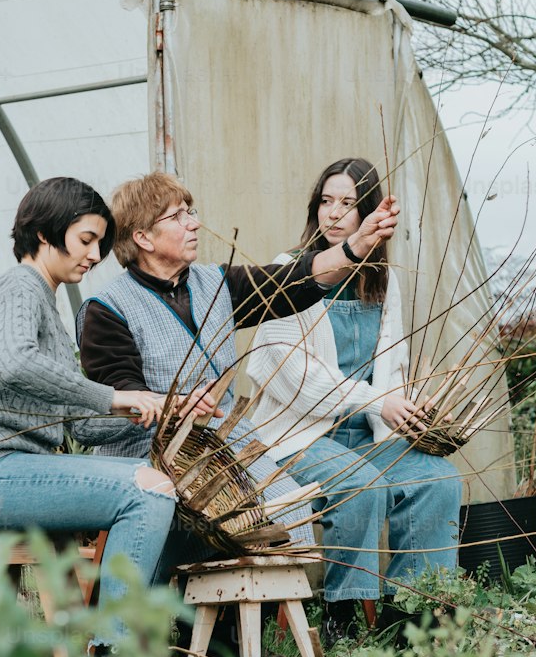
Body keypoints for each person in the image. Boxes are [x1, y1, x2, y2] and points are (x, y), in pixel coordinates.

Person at [76, 171, 399, 563]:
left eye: (189, 212)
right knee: (213, 527)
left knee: (287, 514)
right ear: (143, 237)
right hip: (149, 455)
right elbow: (120, 391)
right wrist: (173, 404)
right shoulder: (107, 308)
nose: (194, 223)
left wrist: (355, 246)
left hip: (222, 444)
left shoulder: (215, 282)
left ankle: (249, 620)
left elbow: (292, 281)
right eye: (178, 216)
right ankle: (190, 614)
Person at [0, 175, 179, 651]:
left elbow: (80, 424)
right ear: (46, 233)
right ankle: (113, 649)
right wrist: (113, 396)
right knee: (148, 489)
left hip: (3, 471)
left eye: (100, 244)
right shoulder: (20, 286)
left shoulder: (43, 302)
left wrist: (155, 410)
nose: (94, 254)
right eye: (86, 239)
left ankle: (109, 639)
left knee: (153, 483)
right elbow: (15, 363)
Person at [246, 157, 462, 644]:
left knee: (438, 479)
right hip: (296, 436)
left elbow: (390, 371)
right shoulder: (290, 271)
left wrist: (409, 404)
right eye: (326, 201)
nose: (334, 214)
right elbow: (285, 375)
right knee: (360, 484)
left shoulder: (384, 281)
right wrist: (372, 401)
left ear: (368, 213)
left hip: (365, 435)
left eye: (348, 203)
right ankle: (345, 621)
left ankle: (415, 623)